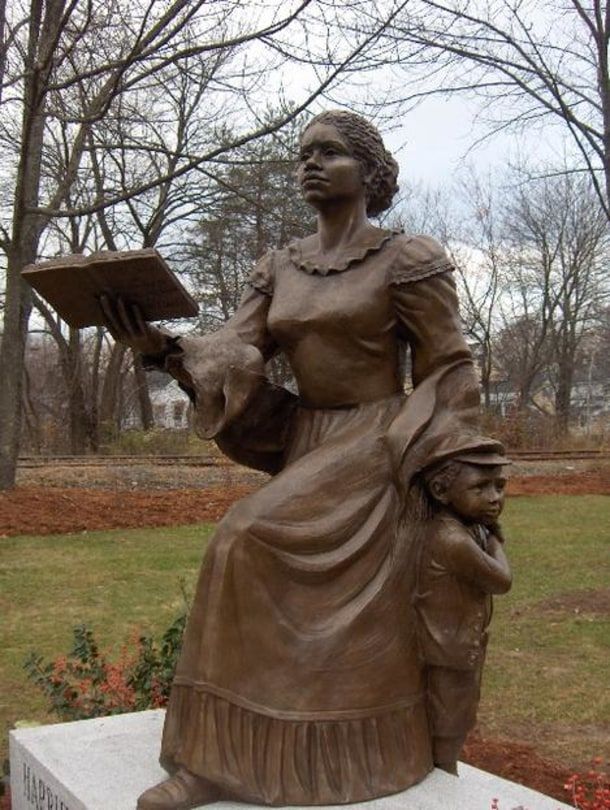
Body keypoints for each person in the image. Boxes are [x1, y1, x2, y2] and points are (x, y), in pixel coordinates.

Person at [101, 110, 488, 810]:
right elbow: (229, 351)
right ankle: (211, 759)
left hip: (377, 446)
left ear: (369, 173)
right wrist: (158, 345)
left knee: (242, 538)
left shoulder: (408, 259)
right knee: (243, 554)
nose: (310, 163)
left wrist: (450, 467)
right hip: (308, 441)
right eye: (303, 153)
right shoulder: (278, 266)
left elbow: (451, 369)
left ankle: (334, 759)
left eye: (330, 153)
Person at [416, 454, 512, 775]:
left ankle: (444, 770)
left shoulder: (460, 527)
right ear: (442, 490)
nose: (494, 497)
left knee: (457, 713)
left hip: (456, 643)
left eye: (499, 486)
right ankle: (443, 777)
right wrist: (495, 537)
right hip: (449, 649)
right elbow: (501, 580)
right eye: (480, 487)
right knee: (449, 720)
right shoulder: (451, 539)